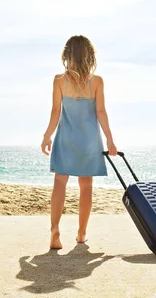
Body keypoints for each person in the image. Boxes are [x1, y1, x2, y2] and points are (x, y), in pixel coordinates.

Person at [41, 35, 118, 250]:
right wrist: (110, 139)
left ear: (67, 55)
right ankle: (82, 233)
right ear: (89, 55)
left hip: (66, 139)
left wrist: (47, 136)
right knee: (86, 187)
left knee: (59, 183)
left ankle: (55, 229)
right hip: (88, 142)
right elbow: (100, 111)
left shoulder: (59, 81)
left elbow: (56, 111)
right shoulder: (97, 82)